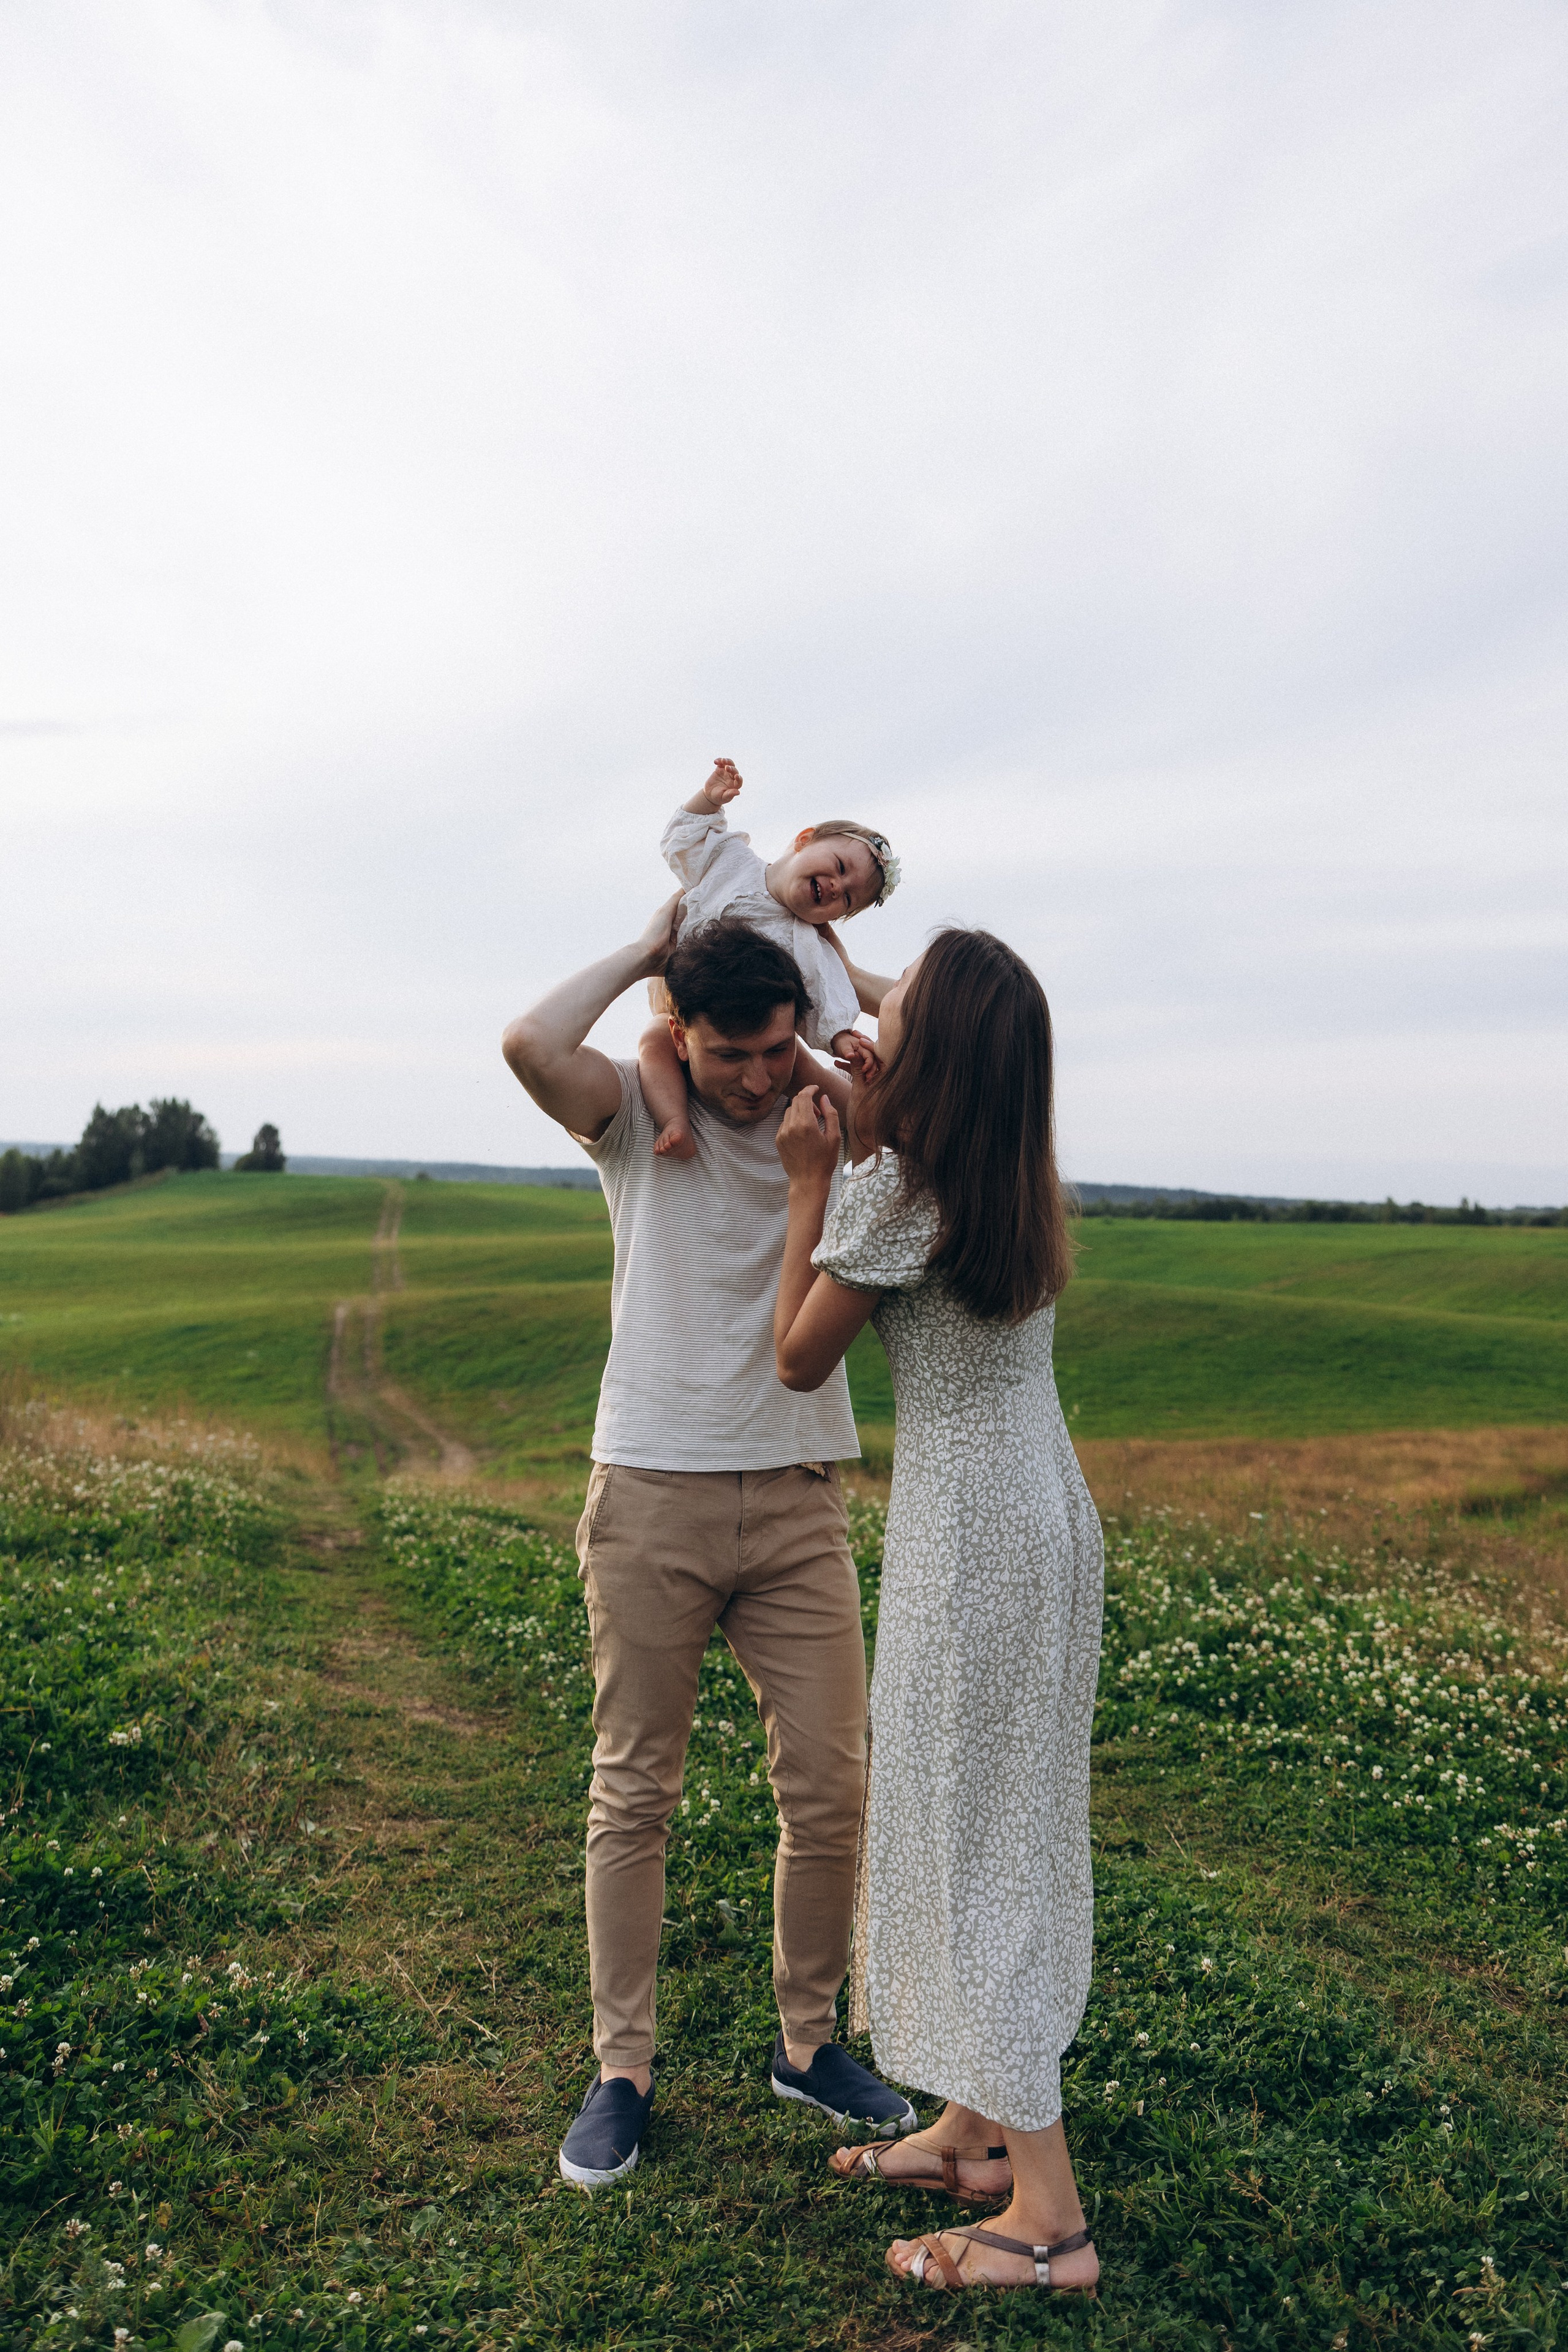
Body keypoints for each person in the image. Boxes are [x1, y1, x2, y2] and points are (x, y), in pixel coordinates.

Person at [500, 902, 919, 2192]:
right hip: (652, 1490)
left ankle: (808, 2043)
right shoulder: (636, 1114)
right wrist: (646, 953)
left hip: (797, 1492)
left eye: (770, 1051)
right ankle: (620, 2070)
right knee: (634, 1791)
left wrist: (828, 977)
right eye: (724, 1053)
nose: (748, 1081)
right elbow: (525, 1042)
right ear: (679, 1036)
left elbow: (927, 1042)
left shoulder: (834, 1120)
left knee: (831, 1787)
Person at [771, 927, 1105, 2297]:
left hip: (972, 1539)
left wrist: (809, 1183)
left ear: (938, 1047)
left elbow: (797, 1358)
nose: (875, 1002)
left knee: (971, 1839)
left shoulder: (890, 1189)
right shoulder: (996, 1175)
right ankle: (969, 2133)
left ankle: (1046, 2220)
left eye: (896, 997)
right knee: (995, 1813)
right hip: (1042, 1518)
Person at [638, 757, 900, 1159]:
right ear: (805, 839)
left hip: (756, 1032)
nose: (836, 886)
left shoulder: (806, 941)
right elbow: (683, 842)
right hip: (686, 1015)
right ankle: (674, 1119)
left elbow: (826, 990)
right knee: (655, 1040)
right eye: (839, 866)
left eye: (847, 898)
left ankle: (875, 1139)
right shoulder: (731, 861)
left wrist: (840, 1037)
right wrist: (708, 800)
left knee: (789, 1059)